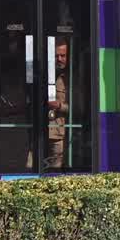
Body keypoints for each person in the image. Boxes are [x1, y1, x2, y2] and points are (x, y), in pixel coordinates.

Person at [46, 41, 70, 170]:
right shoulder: (43, 74)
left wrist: (60, 106)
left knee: (54, 171)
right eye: (56, 56)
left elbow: (80, 108)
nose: (59, 59)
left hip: (58, 133)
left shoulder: (71, 79)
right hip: (39, 132)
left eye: (63, 55)